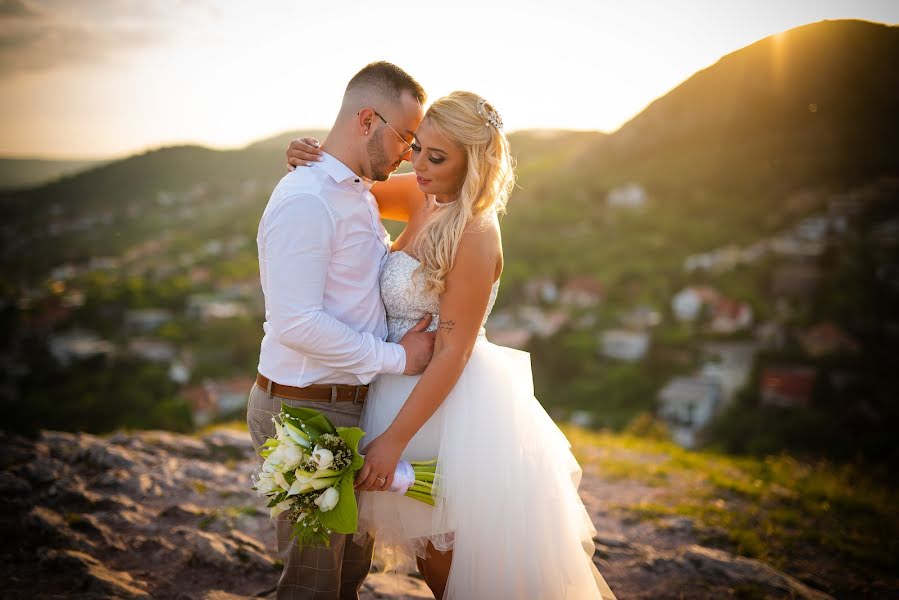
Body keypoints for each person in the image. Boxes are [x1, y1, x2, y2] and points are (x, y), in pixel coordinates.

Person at [286, 92, 617, 599]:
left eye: (436, 158)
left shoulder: (476, 233)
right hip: (393, 385)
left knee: (455, 569)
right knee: (433, 560)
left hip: (446, 410)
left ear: (472, 163)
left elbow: (453, 352)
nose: (417, 165)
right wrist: (310, 161)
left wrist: (393, 440)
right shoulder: (423, 195)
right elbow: (347, 193)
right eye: (417, 148)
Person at [247, 61, 439, 600]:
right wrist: (399, 359)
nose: (408, 152)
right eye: (405, 137)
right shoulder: (307, 199)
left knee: (349, 572)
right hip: (303, 410)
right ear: (366, 119)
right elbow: (295, 323)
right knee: (312, 584)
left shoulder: (355, 190)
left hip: (351, 405)